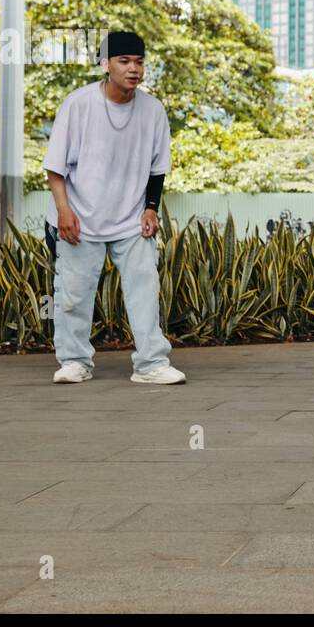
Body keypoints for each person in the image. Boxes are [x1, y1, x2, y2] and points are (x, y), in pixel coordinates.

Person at [43, 30, 186, 386]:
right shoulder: (78, 104)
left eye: (139, 61)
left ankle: (151, 364)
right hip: (79, 216)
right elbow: (55, 168)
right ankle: (75, 361)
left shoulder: (153, 110)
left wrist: (151, 208)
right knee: (73, 295)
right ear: (106, 65)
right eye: (124, 61)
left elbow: (158, 169)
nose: (133, 69)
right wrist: (63, 211)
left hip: (130, 219)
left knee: (144, 288)